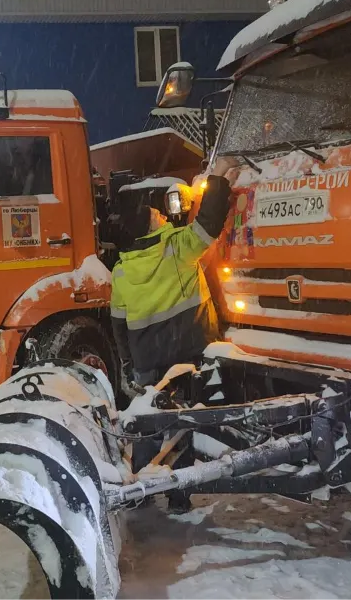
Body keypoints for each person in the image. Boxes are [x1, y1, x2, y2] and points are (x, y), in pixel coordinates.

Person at [110, 175, 231, 513]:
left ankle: (141, 491)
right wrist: (217, 184)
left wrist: (127, 362)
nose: (163, 216)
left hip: (147, 357)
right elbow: (209, 224)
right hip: (186, 349)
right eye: (157, 215)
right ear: (151, 226)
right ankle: (179, 496)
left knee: (149, 422)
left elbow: (118, 324)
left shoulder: (120, 270)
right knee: (184, 423)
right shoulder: (176, 247)